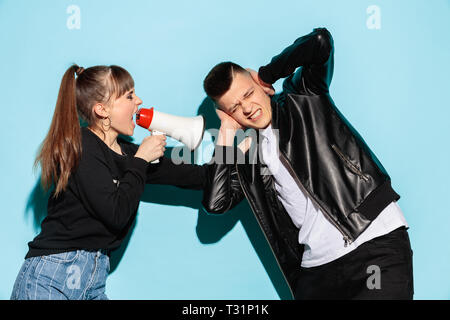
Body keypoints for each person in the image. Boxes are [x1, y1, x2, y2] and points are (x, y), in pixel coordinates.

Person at [201, 27, 414, 299]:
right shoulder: (249, 158)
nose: (246, 107)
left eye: (248, 94)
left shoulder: (303, 97)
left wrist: (267, 73)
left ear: (259, 86)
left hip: (372, 243)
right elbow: (215, 203)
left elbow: (319, 42)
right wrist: (226, 133)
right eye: (234, 107)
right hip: (316, 272)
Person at [10, 64, 208, 300]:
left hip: (93, 280)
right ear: (102, 109)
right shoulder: (83, 147)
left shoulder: (129, 154)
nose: (139, 101)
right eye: (129, 96)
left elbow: (197, 176)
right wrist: (142, 160)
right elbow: (115, 213)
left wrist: (232, 136)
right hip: (52, 277)